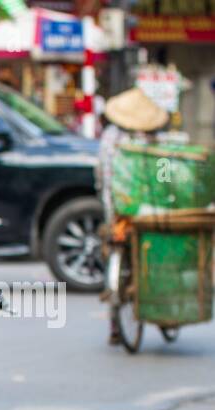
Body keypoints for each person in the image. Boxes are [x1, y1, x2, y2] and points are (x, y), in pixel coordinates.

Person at [96, 87, 168, 346]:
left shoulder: (109, 137)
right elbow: (164, 178)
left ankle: (115, 326)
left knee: (112, 250)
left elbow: (102, 177)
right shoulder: (157, 141)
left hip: (117, 211)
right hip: (150, 212)